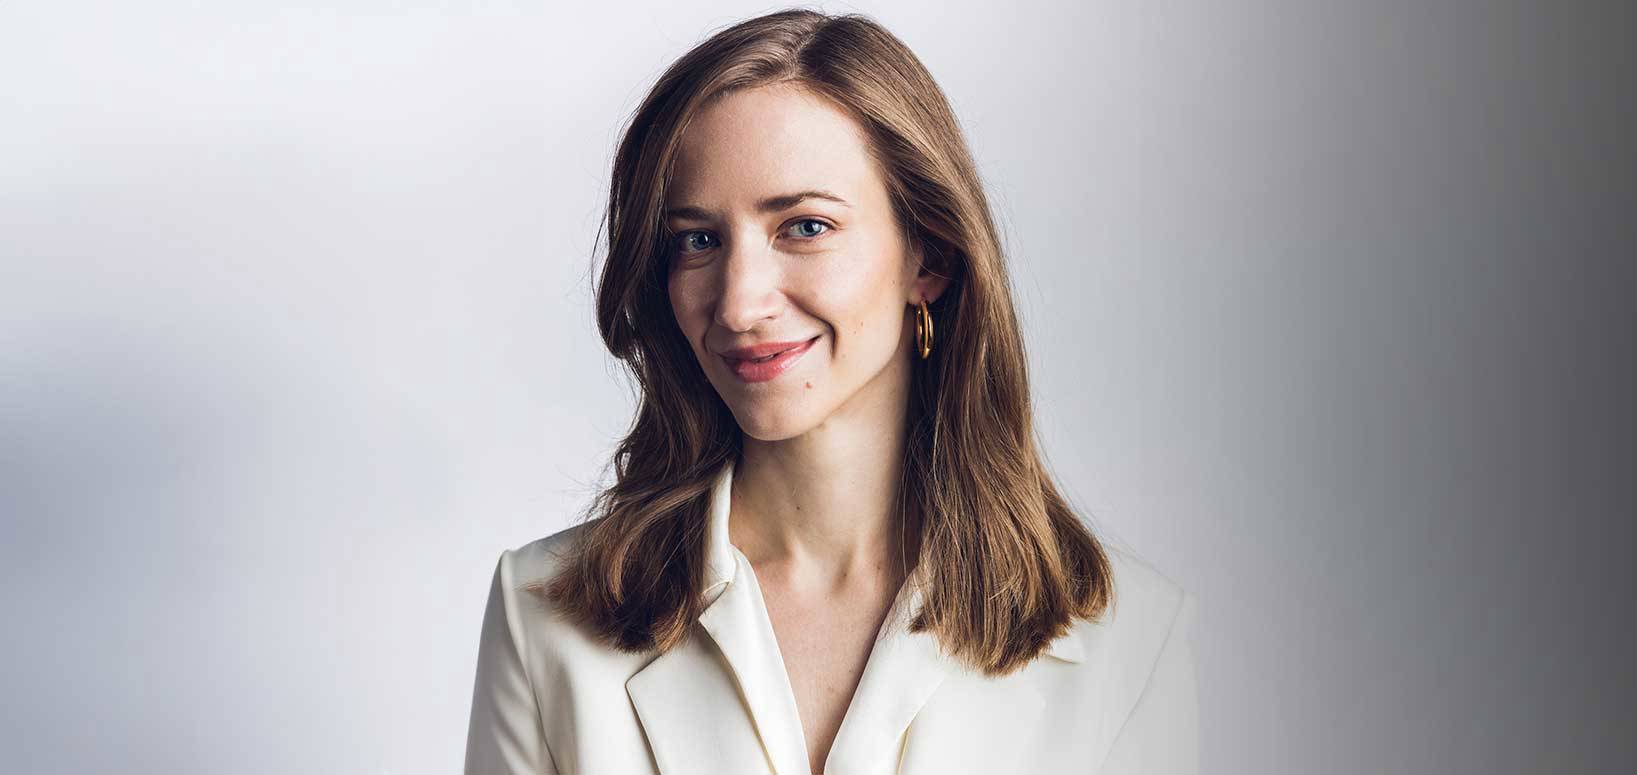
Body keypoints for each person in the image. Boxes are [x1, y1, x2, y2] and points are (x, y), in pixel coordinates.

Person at [462, 9, 1197, 775]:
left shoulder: (1130, 647)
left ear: (929, 258)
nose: (739, 304)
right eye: (698, 240)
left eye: (805, 227)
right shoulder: (543, 616)